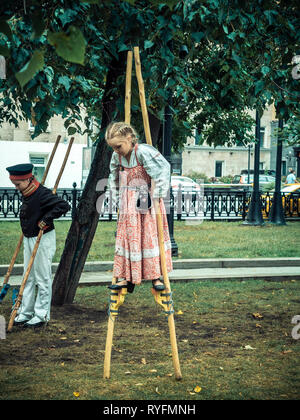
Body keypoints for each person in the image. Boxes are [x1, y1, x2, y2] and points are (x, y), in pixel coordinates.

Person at [105, 121, 172, 292]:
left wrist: (156, 196)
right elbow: (113, 177)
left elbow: (162, 170)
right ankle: (128, 276)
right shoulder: (117, 156)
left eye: (118, 146)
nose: (116, 150)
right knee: (129, 238)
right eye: (113, 147)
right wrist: (117, 196)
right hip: (128, 203)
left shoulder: (142, 152)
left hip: (146, 198)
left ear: (129, 138)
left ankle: (156, 277)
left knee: (150, 235)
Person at [6, 163, 70, 328]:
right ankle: (26, 312)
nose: (16, 188)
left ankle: (42, 314)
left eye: (18, 184)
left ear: (27, 180)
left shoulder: (42, 193)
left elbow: (63, 205)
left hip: (42, 238)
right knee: (28, 276)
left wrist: (46, 219)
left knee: (42, 277)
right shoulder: (27, 191)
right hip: (29, 236)